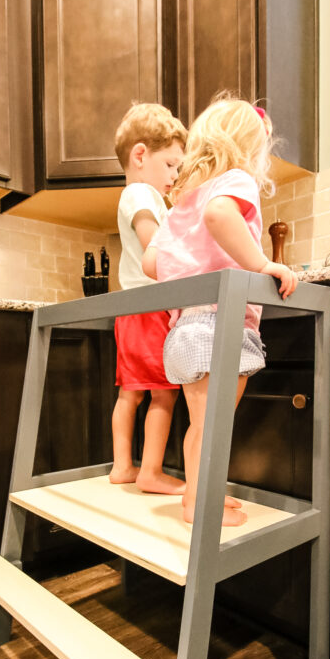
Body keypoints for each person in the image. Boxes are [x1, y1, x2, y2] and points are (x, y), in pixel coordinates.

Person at [142, 95, 298, 525]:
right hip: (220, 325)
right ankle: (199, 505)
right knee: (214, 428)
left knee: (202, 426)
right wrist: (262, 264)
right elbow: (219, 214)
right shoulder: (235, 181)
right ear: (249, 150)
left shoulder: (181, 202)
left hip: (184, 330)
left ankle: (201, 493)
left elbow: (151, 263)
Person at [110, 102, 188, 493]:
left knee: (130, 393)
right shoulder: (142, 193)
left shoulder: (135, 193)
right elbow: (153, 253)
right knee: (164, 393)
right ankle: (150, 472)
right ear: (141, 155)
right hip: (151, 308)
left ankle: (123, 465)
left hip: (130, 311)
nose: (175, 174)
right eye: (171, 164)